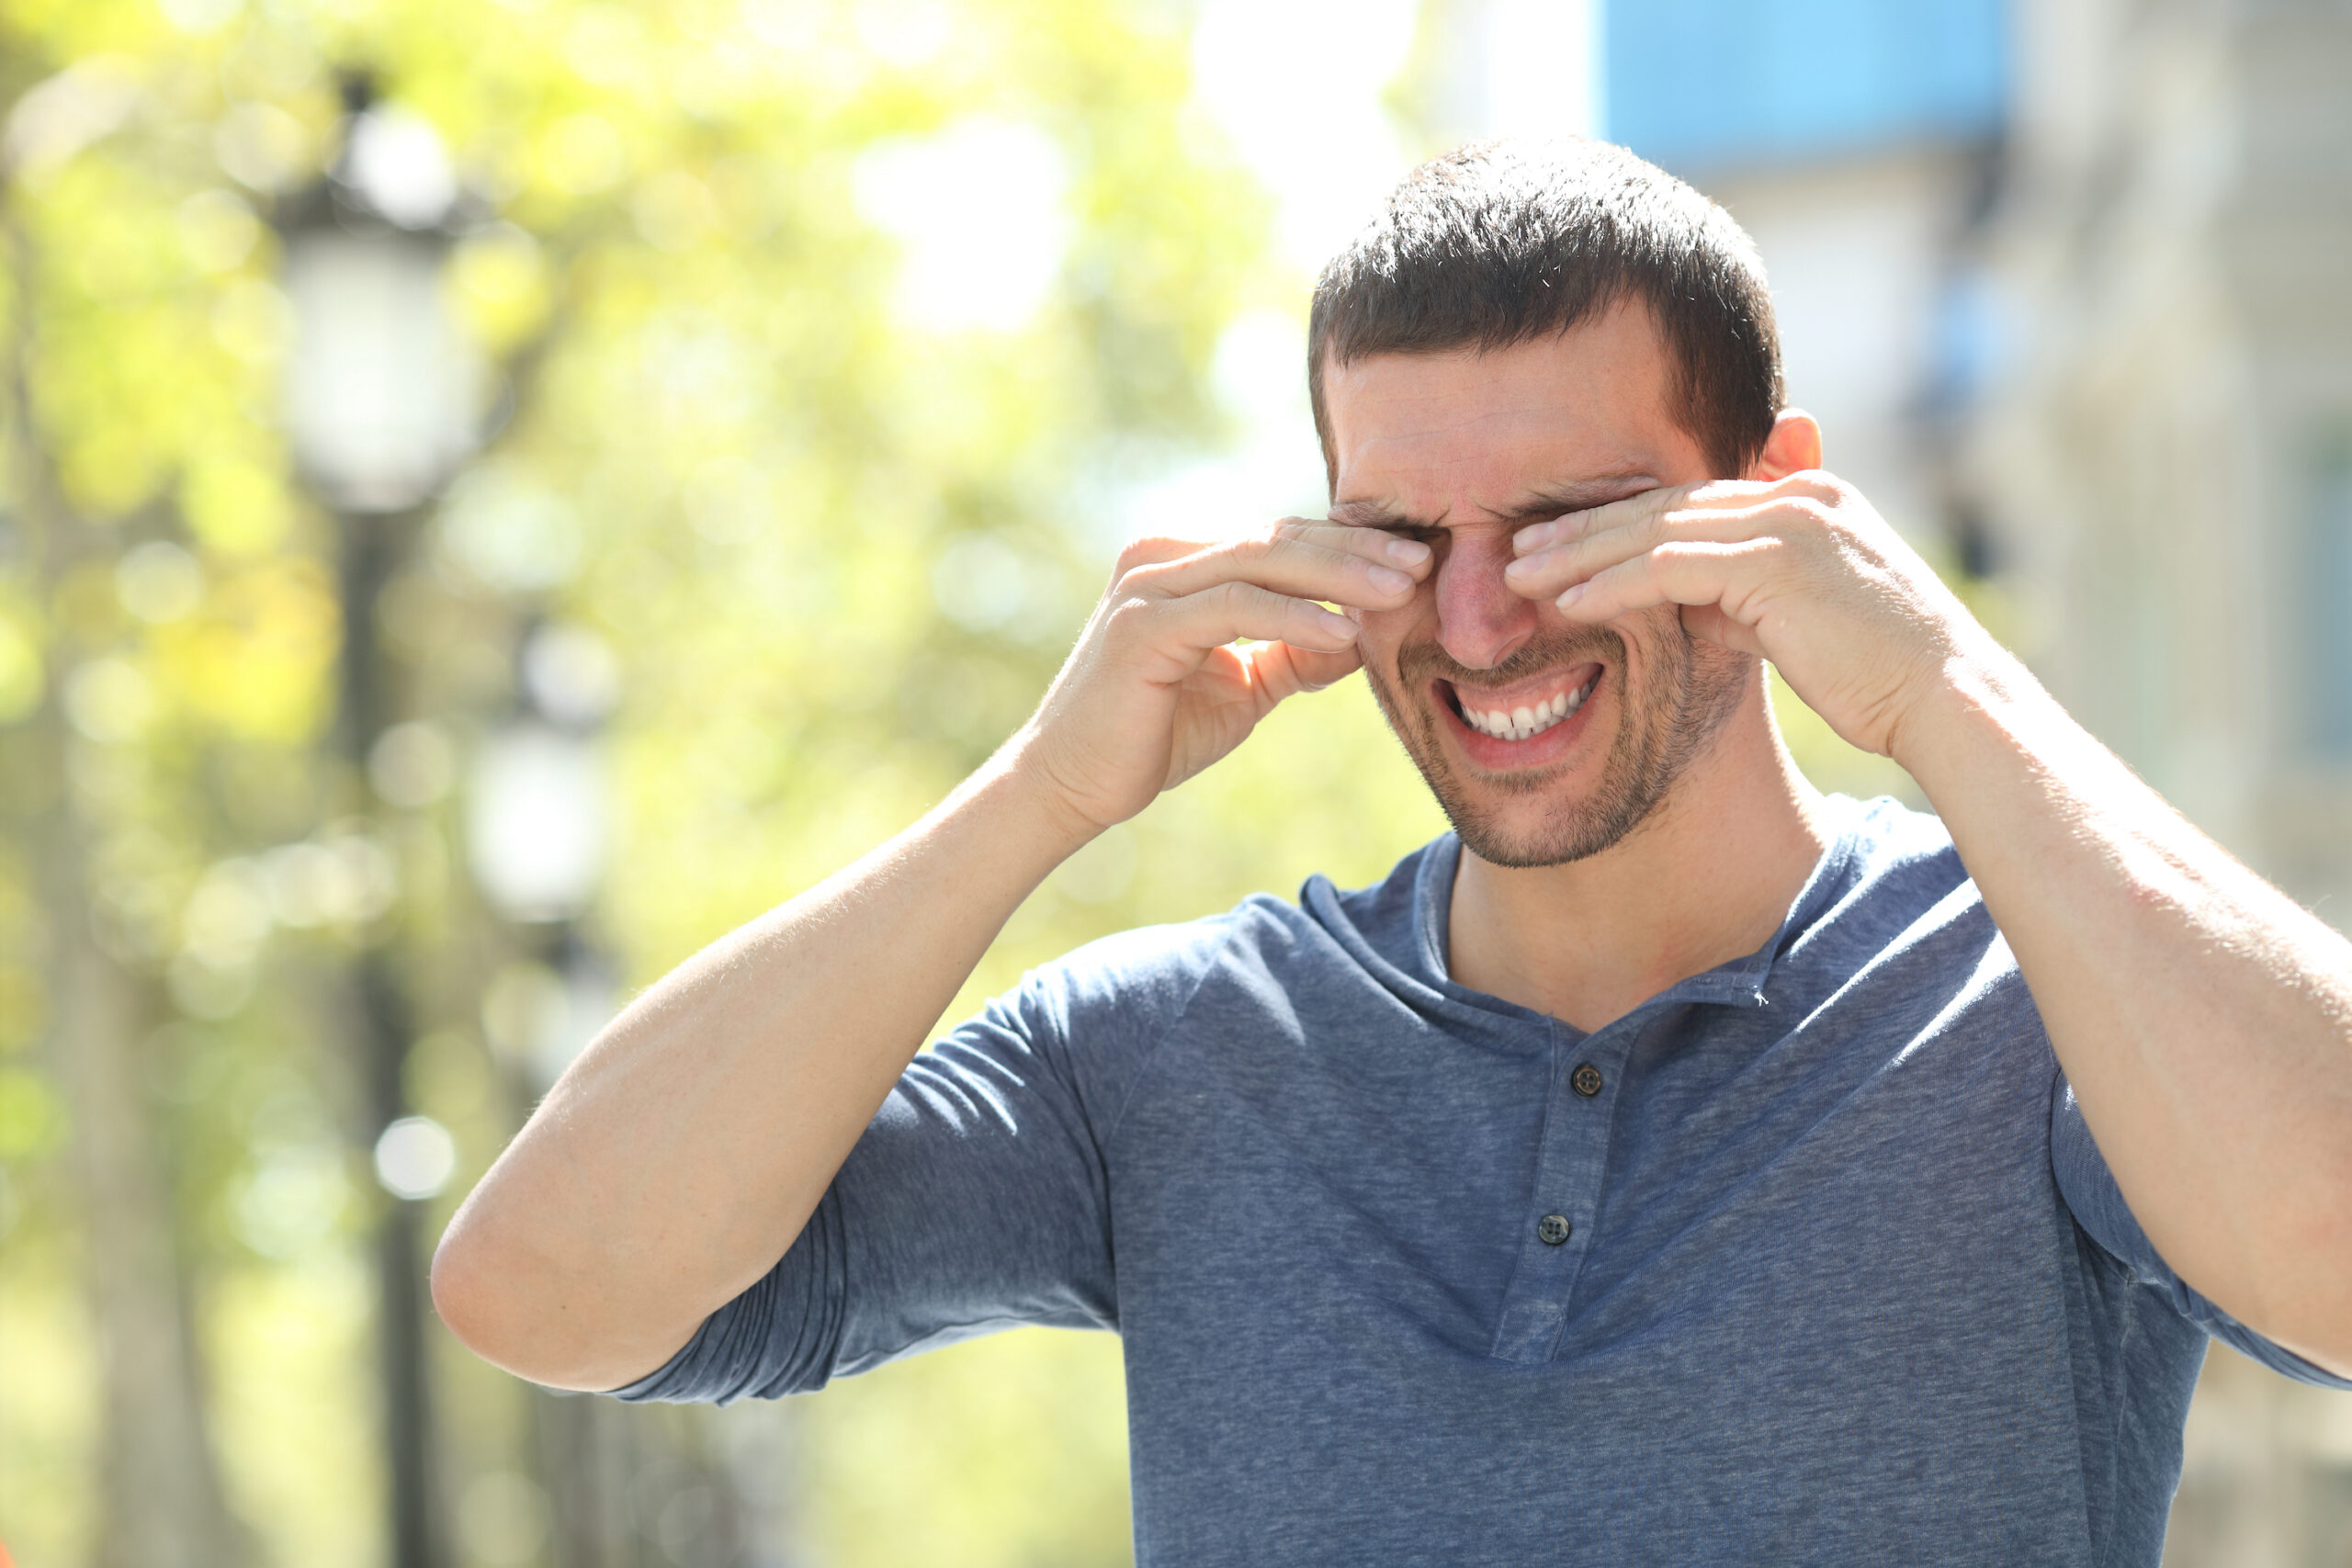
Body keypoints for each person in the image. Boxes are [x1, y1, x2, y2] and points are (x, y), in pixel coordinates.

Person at [431, 140, 2352, 1563]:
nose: (1487, 618)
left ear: (1774, 504)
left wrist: (1942, 686)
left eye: (1573, 519)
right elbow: (547, 1285)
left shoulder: (2037, 997)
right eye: (1405, 536)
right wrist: (1037, 789)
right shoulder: (1176, 1053)